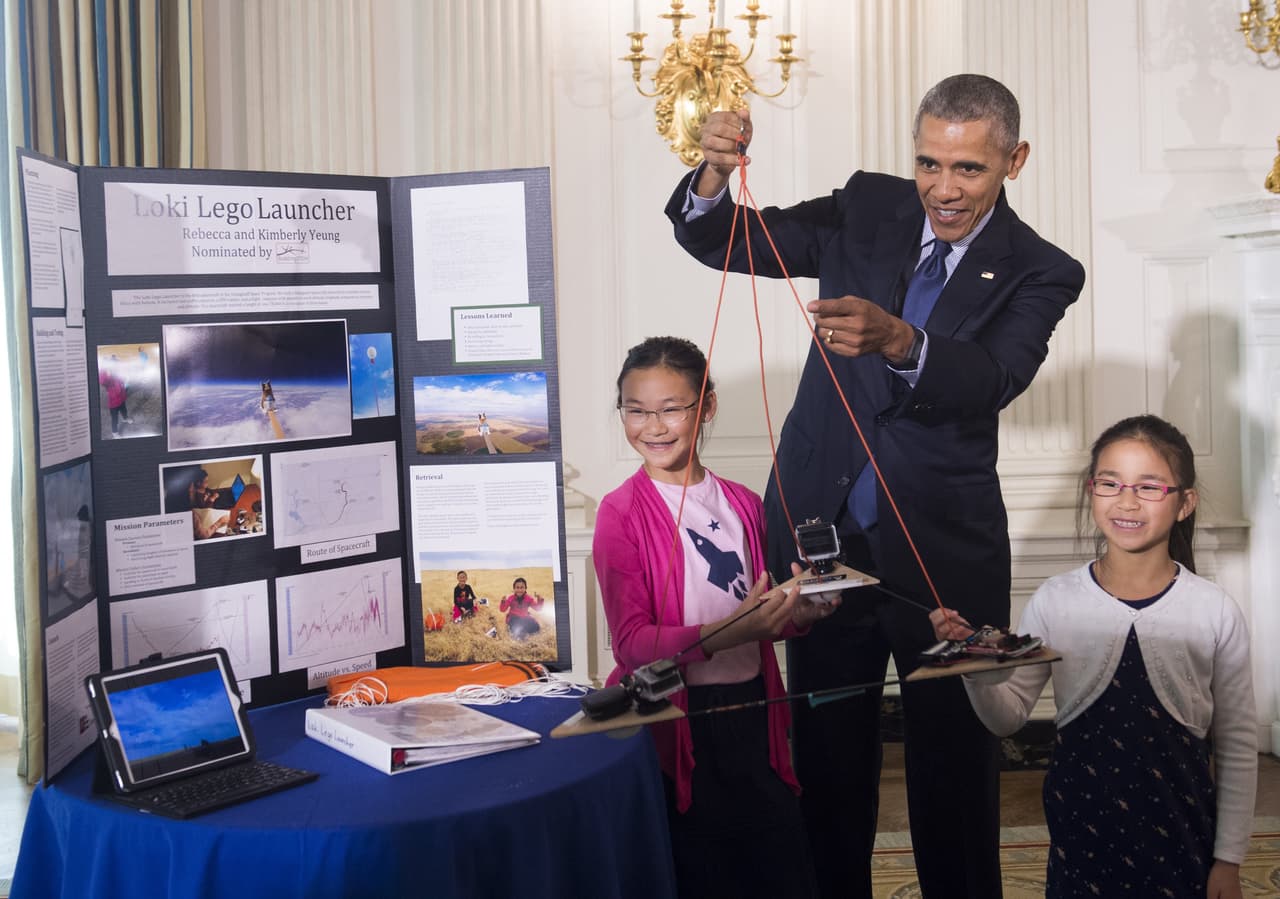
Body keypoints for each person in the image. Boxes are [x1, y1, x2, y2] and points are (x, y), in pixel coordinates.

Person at [665, 74, 1087, 897]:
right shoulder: (869, 205)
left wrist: (900, 338)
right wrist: (713, 173)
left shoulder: (1043, 270)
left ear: (1014, 160)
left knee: (954, 779)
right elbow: (732, 242)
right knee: (826, 770)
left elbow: (993, 376)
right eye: (929, 163)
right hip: (820, 538)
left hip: (943, 553)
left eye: (967, 169)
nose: (942, 188)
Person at [931, 415, 1257, 898]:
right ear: (1091, 491)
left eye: (1149, 487)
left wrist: (1227, 860)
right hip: (1081, 836)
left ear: (1184, 503)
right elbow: (1008, 719)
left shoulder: (1214, 611)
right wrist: (975, 670)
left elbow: (1236, 746)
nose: (1126, 501)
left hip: (1182, 838)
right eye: (1110, 483)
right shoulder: (1055, 600)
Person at [593, 336, 838, 899]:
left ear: (706, 407)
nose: (652, 426)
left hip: (754, 717)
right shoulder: (620, 512)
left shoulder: (746, 504)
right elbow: (633, 644)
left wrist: (803, 611)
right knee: (700, 872)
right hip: (677, 725)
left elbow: (767, 612)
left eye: (671, 408)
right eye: (635, 410)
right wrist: (736, 629)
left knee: (778, 869)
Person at [98, 357, 131, 436]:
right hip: (114, 401)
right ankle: (115, 433)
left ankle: (125, 419)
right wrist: (108, 373)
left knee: (124, 410)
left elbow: (121, 379)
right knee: (114, 419)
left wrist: (125, 380)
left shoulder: (116, 371)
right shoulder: (105, 374)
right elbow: (102, 381)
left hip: (121, 397)